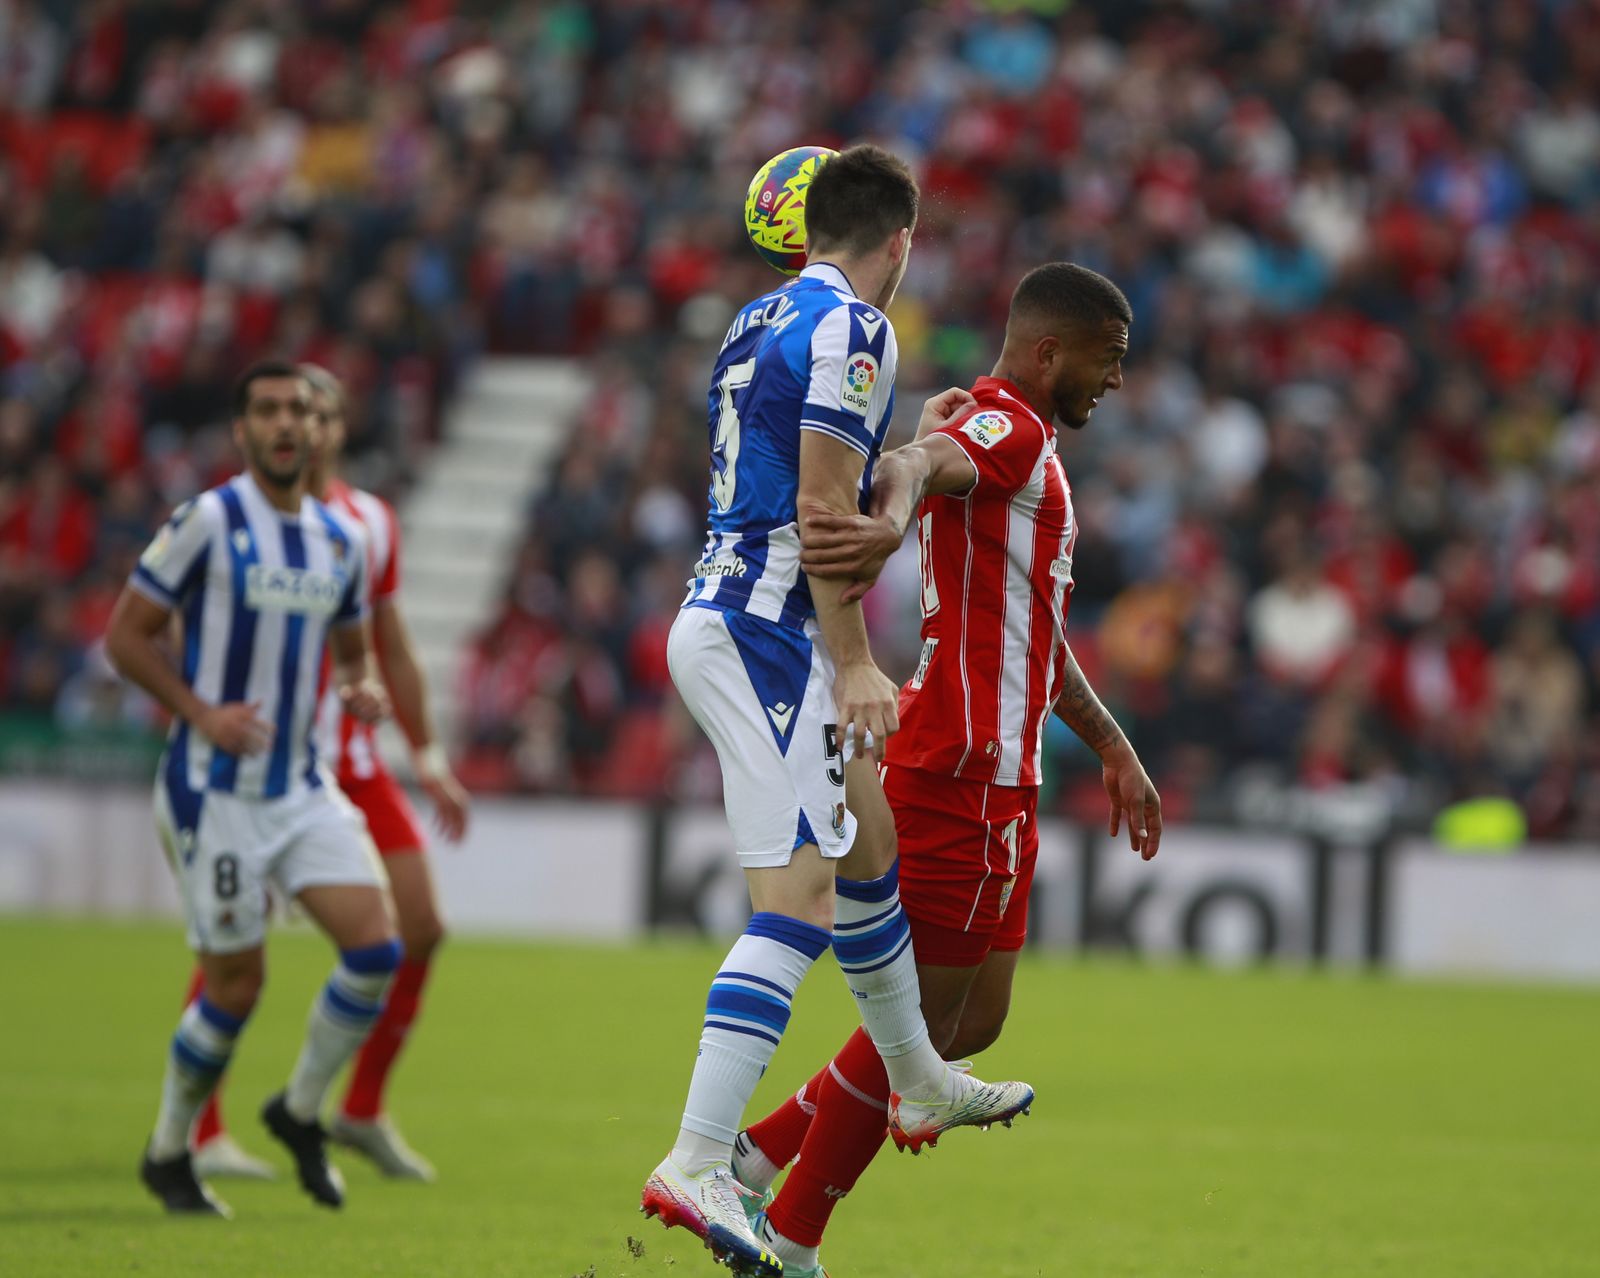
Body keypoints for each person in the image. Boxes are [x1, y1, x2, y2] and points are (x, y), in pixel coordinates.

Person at [640, 145, 1033, 1277]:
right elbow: (821, 514)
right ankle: (700, 1155)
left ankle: (915, 1078)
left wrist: (908, 445)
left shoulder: (759, 314)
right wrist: (858, 662)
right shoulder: (859, 328)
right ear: (899, 240)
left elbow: (806, 478)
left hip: (747, 616)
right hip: (770, 635)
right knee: (801, 902)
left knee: (870, 847)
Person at [729, 263, 1165, 1275]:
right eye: (1109, 359)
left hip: (996, 775)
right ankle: (787, 1236)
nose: (1114, 381)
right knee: (923, 1030)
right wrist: (898, 489)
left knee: (971, 1020)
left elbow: (1035, 634)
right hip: (959, 768)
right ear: (1052, 349)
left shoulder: (1029, 449)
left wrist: (1110, 744)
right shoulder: (1006, 426)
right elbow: (932, 458)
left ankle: (756, 1159)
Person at [108, 360, 400, 1217]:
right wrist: (201, 713)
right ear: (241, 429)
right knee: (237, 985)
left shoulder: (337, 542)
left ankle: (298, 1109)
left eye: (301, 411)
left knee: (376, 949)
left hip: (301, 785)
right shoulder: (206, 520)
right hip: (215, 788)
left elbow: (353, 649)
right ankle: (169, 1151)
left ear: (320, 431)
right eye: (268, 409)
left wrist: (361, 687)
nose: (285, 424)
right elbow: (127, 638)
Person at [181, 364, 471, 1184]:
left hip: (351, 763)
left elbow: (390, 645)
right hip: (270, 763)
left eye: (321, 414)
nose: (305, 428)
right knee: (234, 946)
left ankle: (359, 1107)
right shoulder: (237, 520)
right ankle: (199, 1127)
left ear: (335, 429)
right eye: (286, 411)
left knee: (420, 927)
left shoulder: (368, 523)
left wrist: (429, 756)